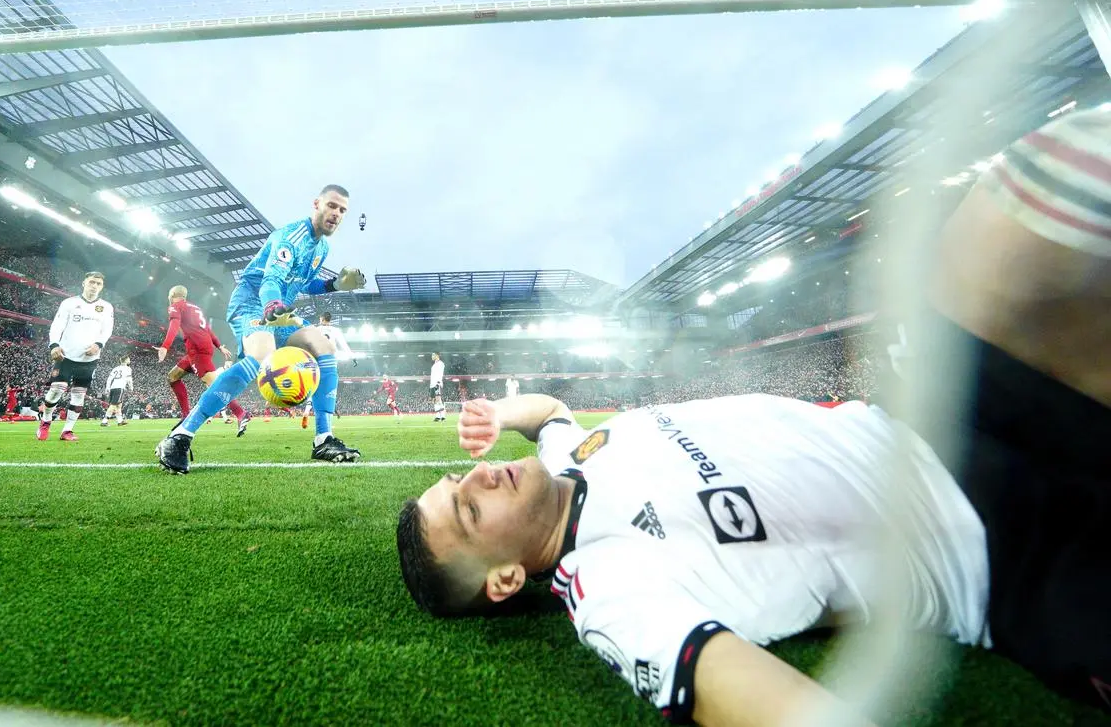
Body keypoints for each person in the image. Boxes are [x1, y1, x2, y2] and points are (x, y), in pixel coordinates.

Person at [395, 108, 1111, 723]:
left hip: (944, 421)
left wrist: (495, 407)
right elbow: (730, 688)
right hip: (1004, 557)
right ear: (506, 579)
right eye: (466, 509)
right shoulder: (607, 586)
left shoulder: (567, 458)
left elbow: (548, 409)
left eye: (462, 476)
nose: (479, 477)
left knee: (1031, 195)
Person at [154, 185, 367, 474]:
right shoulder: (289, 237)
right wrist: (272, 308)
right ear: (316, 204)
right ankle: (180, 436)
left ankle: (324, 439)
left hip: (281, 309)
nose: (337, 214)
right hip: (253, 303)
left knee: (325, 349)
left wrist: (337, 285)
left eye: (343, 210)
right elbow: (270, 281)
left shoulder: (322, 247)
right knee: (260, 354)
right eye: (332, 206)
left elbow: (303, 283)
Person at [157, 285, 248, 436]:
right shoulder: (194, 308)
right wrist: (219, 346)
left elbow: (174, 325)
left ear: (172, 295)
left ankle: (241, 413)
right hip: (199, 349)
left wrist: (165, 346)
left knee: (215, 386)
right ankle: (186, 415)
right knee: (172, 377)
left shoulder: (175, 306)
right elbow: (208, 330)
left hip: (197, 351)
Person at [36, 271, 114, 443]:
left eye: (98, 284)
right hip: (66, 355)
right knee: (56, 390)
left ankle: (67, 430)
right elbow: (57, 324)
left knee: (78, 395)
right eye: (92, 282)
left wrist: (98, 345)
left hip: (89, 359)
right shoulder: (69, 303)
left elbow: (107, 330)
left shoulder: (107, 307)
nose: (94, 286)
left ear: (102, 287)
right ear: (84, 283)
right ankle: (45, 421)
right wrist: (54, 344)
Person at [302, 311, 358, 428]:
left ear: (321, 318)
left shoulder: (315, 329)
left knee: (314, 388)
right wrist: (352, 357)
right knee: (329, 390)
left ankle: (307, 411)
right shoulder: (335, 330)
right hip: (330, 361)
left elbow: (308, 344)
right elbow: (343, 344)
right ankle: (327, 423)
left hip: (316, 360)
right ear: (330, 320)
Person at [101, 356, 132, 427]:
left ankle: (120, 421)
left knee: (119, 405)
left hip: (113, 387)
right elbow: (129, 379)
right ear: (126, 360)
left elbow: (109, 378)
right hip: (120, 387)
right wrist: (131, 387)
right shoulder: (128, 368)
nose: (129, 360)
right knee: (113, 405)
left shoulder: (116, 368)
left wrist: (107, 388)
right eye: (129, 359)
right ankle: (104, 421)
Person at [429, 352, 446, 422]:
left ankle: (440, 416)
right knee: (436, 401)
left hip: (437, 383)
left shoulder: (440, 363)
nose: (432, 356)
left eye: (433, 355)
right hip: (432, 384)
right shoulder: (434, 365)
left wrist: (438, 382)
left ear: (437, 355)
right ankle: (441, 416)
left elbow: (440, 373)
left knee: (438, 399)